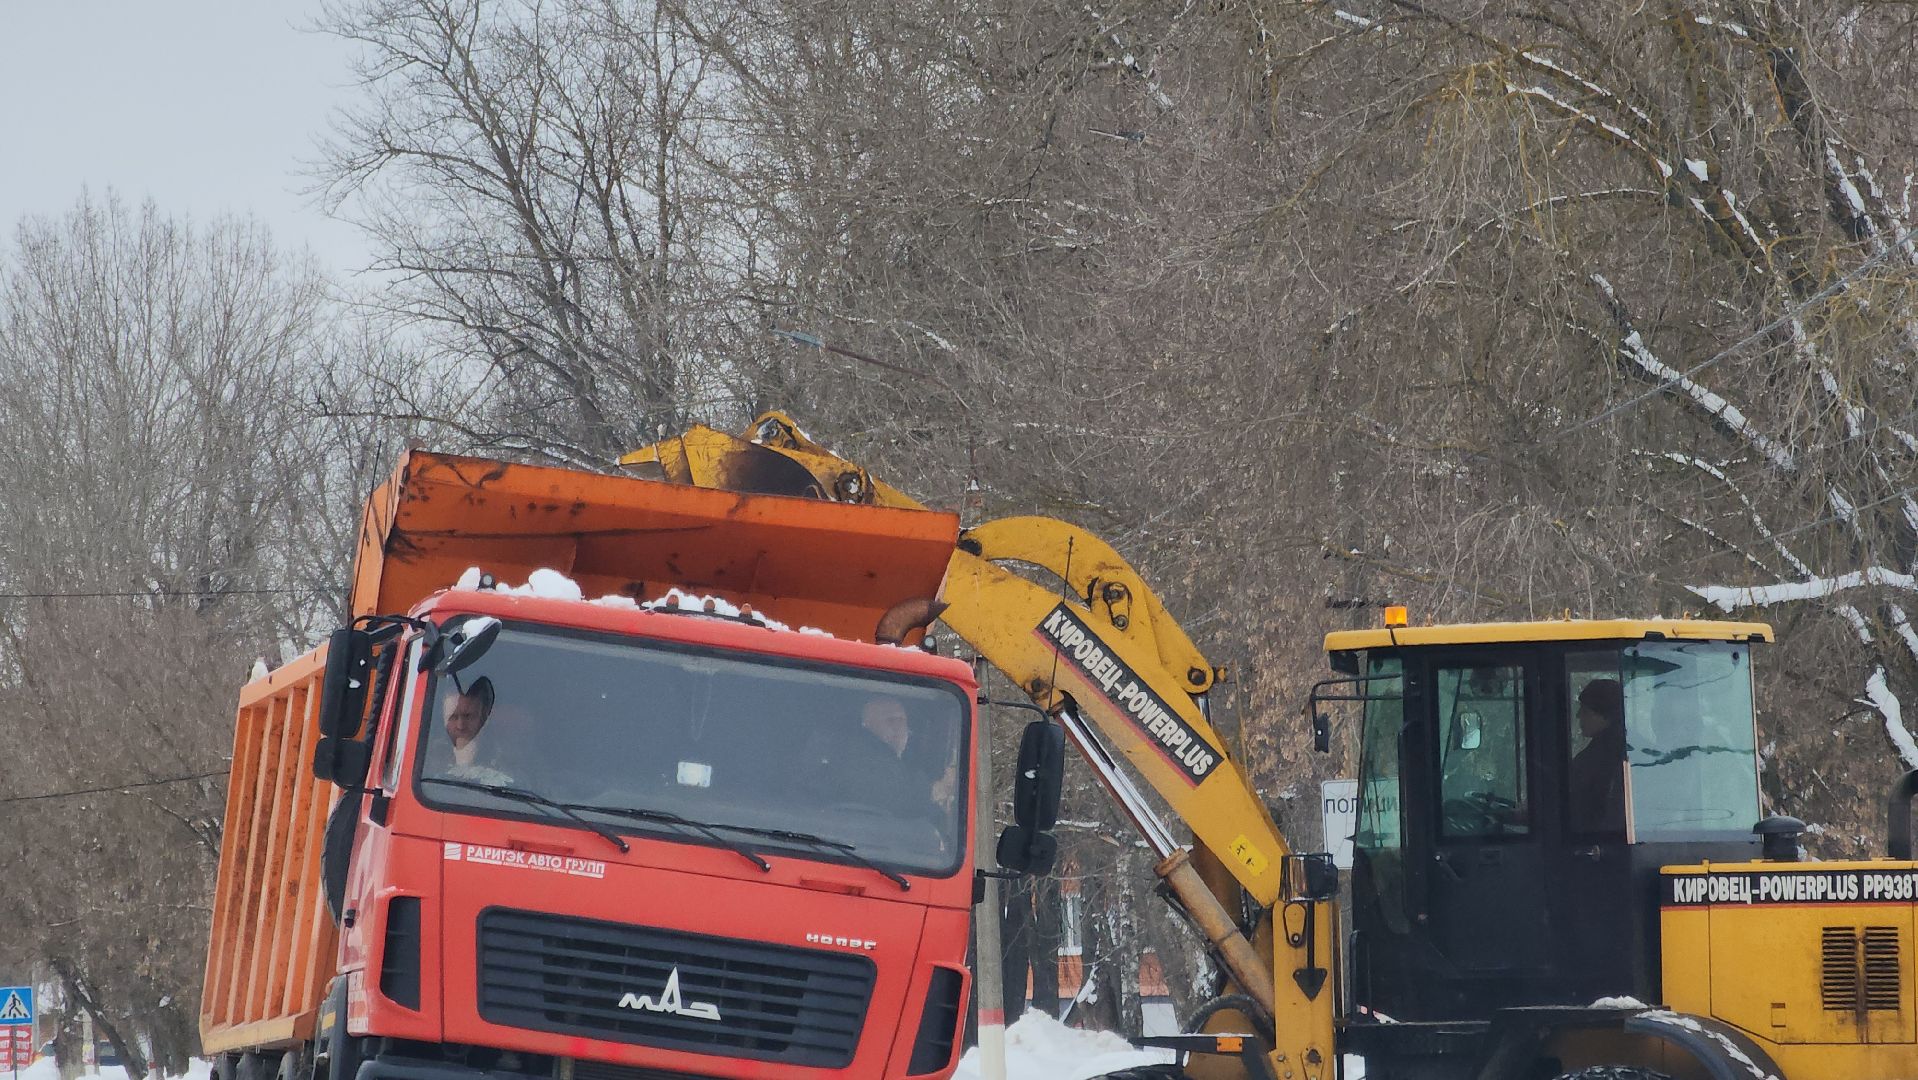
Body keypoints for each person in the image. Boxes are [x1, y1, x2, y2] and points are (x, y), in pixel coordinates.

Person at [1568, 678, 1627, 833]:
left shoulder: (1597, 758)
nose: (1578, 715)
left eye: (1586, 711)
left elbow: (1574, 807)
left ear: (1607, 716)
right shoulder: (1636, 749)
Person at [435, 676, 515, 785]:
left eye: (468, 716)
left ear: (484, 717)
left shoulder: (507, 760)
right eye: (453, 717)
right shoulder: (426, 759)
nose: (461, 725)